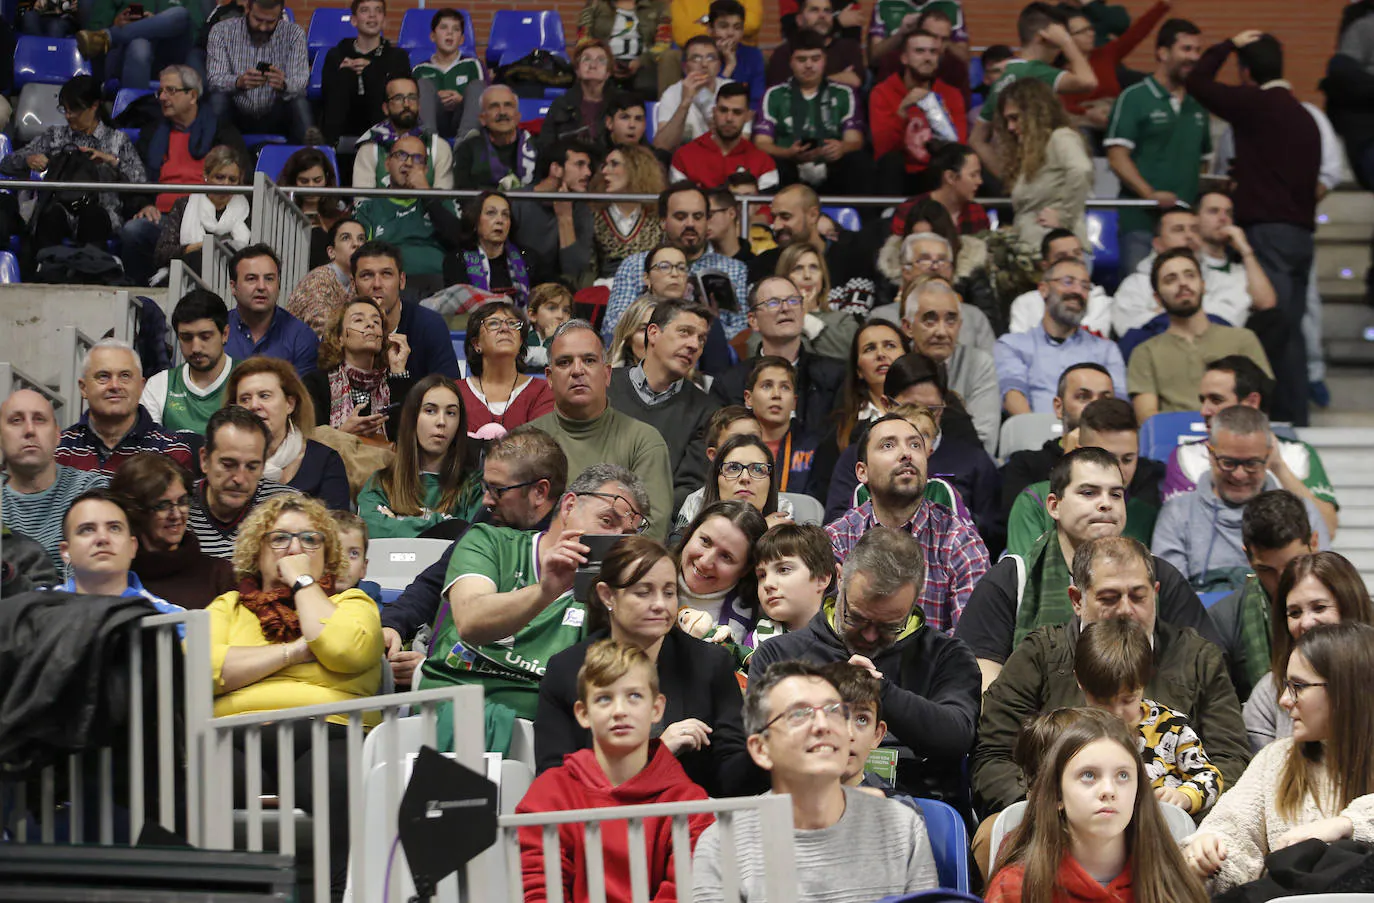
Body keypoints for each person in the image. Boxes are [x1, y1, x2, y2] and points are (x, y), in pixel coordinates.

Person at [972, 536, 1251, 816]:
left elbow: (1231, 761)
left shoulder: (1198, 659)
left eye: (1138, 597)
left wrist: (1184, 808)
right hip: (1053, 821)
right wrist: (1043, 809)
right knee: (992, 835)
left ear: (1154, 593)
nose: (1126, 610)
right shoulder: (1040, 654)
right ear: (1077, 600)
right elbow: (994, 754)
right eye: (1109, 598)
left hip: (1172, 826)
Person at [208, 493, 382, 894]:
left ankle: (335, 894)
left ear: (328, 554)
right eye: (280, 539)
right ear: (257, 550)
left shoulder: (350, 602)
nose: (295, 549)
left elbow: (343, 648)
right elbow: (203, 669)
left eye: (310, 540)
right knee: (206, 775)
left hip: (331, 730)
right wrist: (296, 651)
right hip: (234, 733)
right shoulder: (228, 607)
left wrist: (302, 582)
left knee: (332, 774)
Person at [751, 525, 979, 805]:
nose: (870, 635)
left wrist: (880, 691)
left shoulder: (946, 655)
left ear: (915, 601)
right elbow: (763, 749)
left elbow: (956, 738)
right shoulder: (779, 654)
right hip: (805, 806)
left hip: (916, 807)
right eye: (857, 618)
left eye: (890, 625)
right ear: (839, 579)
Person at [961, 445, 1214, 691]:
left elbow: (1207, 666)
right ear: (1054, 506)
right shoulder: (1012, 578)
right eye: (1089, 493)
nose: (1106, 504)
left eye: (1115, 494)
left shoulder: (1159, 575)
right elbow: (982, 679)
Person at [692, 659, 940, 900]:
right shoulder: (722, 844)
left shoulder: (902, 827)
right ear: (761, 749)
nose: (823, 725)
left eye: (834, 712)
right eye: (800, 714)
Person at [420, 464, 650, 721]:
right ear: (569, 506)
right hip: (447, 711)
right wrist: (546, 591)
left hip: (539, 732)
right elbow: (471, 622)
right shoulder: (489, 542)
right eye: (607, 521)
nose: (615, 541)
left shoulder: (607, 595)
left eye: (627, 536)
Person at [536, 537, 755, 797]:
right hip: (598, 827)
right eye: (644, 592)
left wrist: (773, 750)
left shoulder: (709, 663)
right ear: (608, 595)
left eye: (669, 592)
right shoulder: (567, 670)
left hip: (690, 825)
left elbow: (730, 779)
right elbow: (555, 781)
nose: (660, 605)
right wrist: (656, 754)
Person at [1187, 31, 1321, 427]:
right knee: (1290, 328)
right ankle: (1297, 417)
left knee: (1275, 330)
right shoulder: (1304, 115)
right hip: (1301, 235)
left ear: (1246, 73)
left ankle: (1284, 421)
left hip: (1269, 233)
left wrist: (1228, 43)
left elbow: (1197, 83)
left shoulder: (1259, 104)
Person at [1184, 622, 1374, 893]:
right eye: (1286, 685)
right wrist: (1209, 853)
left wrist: (1347, 825)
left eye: (1298, 686)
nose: (1284, 700)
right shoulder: (1276, 759)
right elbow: (1234, 828)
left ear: (1346, 689)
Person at [519, 639, 714, 903]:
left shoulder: (690, 804)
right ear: (583, 713)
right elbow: (539, 892)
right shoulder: (548, 796)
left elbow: (684, 894)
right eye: (604, 698)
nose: (620, 711)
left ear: (656, 708)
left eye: (634, 696)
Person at [379, 426, 568, 686]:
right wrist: (392, 624)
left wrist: (431, 668)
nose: (487, 500)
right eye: (485, 487)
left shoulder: (566, 548)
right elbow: (436, 579)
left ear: (540, 492)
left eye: (498, 490)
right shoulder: (492, 518)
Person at [984, 707, 1209, 903]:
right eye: (1089, 775)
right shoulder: (1016, 888)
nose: (1109, 790)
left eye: (1123, 775)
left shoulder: (1171, 883)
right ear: (1056, 795)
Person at [827, 414, 989, 634]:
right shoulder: (838, 538)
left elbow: (970, 637)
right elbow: (824, 632)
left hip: (935, 666)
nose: (906, 454)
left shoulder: (959, 539)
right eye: (888, 445)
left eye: (915, 445)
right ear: (862, 472)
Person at [1153, 406, 1329, 593]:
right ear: (1210, 455)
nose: (1239, 475)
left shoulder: (1302, 512)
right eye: (1228, 463)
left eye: (1251, 463)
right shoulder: (1178, 513)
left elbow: (1323, 585)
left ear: (1269, 456)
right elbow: (1170, 597)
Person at [1161, 356, 1339, 538]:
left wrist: (1279, 468)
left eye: (1216, 400)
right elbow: (1178, 529)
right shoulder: (1187, 456)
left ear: (1252, 402)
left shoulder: (1298, 454)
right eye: (1203, 400)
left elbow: (1327, 530)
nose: (1204, 411)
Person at [527, 320, 673, 539]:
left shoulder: (644, 441)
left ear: (607, 374)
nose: (577, 370)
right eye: (565, 362)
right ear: (549, 377)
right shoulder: (525, 442)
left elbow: (650, 533)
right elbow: (510, 526)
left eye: (589, 360)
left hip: (617, 570)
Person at [1075, 618, 1224, 817]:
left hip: (1160, 830)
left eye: (1128, 700)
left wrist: (1185, 796)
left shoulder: (1171, 727)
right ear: (1080, 682)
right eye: (1103, 702)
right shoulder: (1071, 732)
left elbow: (1210, 776)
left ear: (1145, 683)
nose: (1117, 713)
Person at [122, 64, 247, 287]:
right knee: (134, 230)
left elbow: (239, 176)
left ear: (192, 95)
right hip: (161, 218)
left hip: (207, 218)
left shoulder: (222, 132)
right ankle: (142, 291)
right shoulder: (152, 133)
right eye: (160, 91)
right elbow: (137, 178)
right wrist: (144, 204)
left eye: (171, 91)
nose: (162, 97)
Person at [1105, 17, 1210, 274]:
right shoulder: (1134, 97)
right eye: (1186, 49)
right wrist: (1150, 194)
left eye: (1197, 50)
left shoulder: (1199, 103)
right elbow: (1117, 157)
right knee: (1140, 292)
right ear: (1162, 53)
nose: (1194, 57)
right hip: (1141, 221)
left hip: (1186, 225)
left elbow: (1204, 162)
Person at [1242, 551, 1374, 754]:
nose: (1306, 623)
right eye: (1294, 613)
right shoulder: (1269, 692)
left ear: (1350, 606)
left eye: (1319, 608)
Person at [1, 75, 145, 257]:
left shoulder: (117, 140)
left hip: (101, 211)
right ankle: (45, 272)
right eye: (65, 109)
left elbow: (140, 180)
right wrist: (28, 160)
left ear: (94, 106)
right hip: (58, 207)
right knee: (49, 218)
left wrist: (111, 161)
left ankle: (94, 273)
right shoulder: (55, 135)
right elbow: (6, 164)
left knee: (93, 217)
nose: (68, 116)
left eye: (74, 110)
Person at [1005, 398, 1166, 559]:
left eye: (1128, 459)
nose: (1118, 470)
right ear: (1078, 452)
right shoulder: (1035, 501)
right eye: (1105, 458)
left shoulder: (1147, 511)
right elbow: (1027, 576)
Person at [1127, 249, 1273, 421]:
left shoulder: (1242, 339)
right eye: (1170, 279)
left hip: (1237, 434)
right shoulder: (1145, 352)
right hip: (1175, 442)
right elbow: (1147, 419)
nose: (1182, 283)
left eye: (1190, 275)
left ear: (1203, 285)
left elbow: (1261, 401)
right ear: (1157, 298)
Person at [608, 299, 719, 513]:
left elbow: (689, 488)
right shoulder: (604, 387)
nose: (694, 345)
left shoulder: (707, 411)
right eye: (684, 332)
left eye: (701, 339)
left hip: (656, 527)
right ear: (653, 333)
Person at [602, 184, 750, 344]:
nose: (690, 224)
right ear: (663, 222)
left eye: (698, 217)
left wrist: (712, 326)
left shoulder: (734, 269)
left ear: (708, 221)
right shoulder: (634, 265)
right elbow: (613, 327)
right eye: (681, 217)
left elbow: (742, 334)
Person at [1208, 492, 1319, 703]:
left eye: (1293, 564)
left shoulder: (1353, 608)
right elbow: (1218, 708)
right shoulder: (1223, 620)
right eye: (1266, 570)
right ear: (1247, 557)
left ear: (1314, 543)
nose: (1282, 580)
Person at [969, 1, 1097, 174]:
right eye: (1058, 39)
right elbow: (1088, 82)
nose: (1060, 49)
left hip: (1027, 177)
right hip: (1046, 176)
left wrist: (1009, 180)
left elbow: (977, 139)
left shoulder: (1004, 78)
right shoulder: (1034, 71)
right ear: (1043, 37)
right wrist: (1068, 42)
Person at [709, 276, 845, 437]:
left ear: (803, 312)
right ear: (753, 321)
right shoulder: (729, 384)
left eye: (793, 301)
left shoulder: (837, 376)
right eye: (773, 303)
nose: (785, 308)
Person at [994, 259, 1127, 416]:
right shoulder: (1012, 345)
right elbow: (1012, 393)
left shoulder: (1105, 350)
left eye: (1085, 286)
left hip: (1093, 436)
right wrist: (1034, 434)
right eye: (1068, 282)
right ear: (1043, 290)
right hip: (1034, 434)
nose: (1078, 291)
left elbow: (1118, 403)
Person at [357, 375, 482, 539]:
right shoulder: (380, 483)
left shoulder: (473, 486)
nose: (441, 422)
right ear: (412, 418)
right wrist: (447, 524)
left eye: (451, 413)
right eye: (430, 411)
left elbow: (474, 541)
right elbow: (371, 531)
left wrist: (398, 522)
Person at [1, 390, 109, 573]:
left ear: (58, 435)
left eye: (39, 419)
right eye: (16, 420)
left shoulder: (91, 491)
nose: (29, 430)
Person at [109, 453, 236, 609]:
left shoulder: (220, 575)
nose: (176, 515)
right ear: (135, 511)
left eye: (182, 502)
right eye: (163, 505)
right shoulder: (114, 578)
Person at [755, 30, 871, 195]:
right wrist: (788, 153)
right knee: (771, 163)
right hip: (789, 168)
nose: (809, 65)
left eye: (815, 59)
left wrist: (841, 148)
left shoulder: (844, 93)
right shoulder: (773, 94)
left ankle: (863, 219)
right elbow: (761, 143)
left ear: (824, 60)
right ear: (791, 62)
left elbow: (855, 140)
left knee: (858, 161)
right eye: (801, 60)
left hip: (833, 168)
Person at [999, 362, 1117, 524]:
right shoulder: (1025, 466)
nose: (1096, 406)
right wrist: (1070, 465)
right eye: (1083, 396)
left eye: (1106, 399)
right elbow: (1026, 531)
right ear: (1059, 407)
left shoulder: (1136, 467)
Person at [56, 339, 196, 475]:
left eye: (125, 376)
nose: (115, 386)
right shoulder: (60, 448)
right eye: (103, 376)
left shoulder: (171, 449)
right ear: (83, 388)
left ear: (141, 387)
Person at [225, 358, 349, 512]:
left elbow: (338, 529)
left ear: (290, 404)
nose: (254, 405)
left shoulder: (325, 461)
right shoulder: (224, 463)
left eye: (264, 396)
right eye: (245, 399)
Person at [993, 78, 1094, 255]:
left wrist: (1064, 216)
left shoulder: (1061, 137)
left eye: (1015, 118)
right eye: (1007, 120)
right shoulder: (1033, 149)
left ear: (1035, 113)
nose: (1010, 127)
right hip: (1035, 248)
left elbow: (1081, 169)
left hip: (1059, 251)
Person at [899, 278, 998, 454]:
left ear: (960, 325)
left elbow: (985, 441)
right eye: (930, 321)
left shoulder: (978, 363)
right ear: (908, 327)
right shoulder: (897, 366)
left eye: (951, 321)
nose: (941, 332)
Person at [354, 134, 462, 295]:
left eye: (417, 159)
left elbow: (458, 238)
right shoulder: (369, 207)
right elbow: (359, 255)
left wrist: (427, 196)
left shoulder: (441, 201)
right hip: (389, 286)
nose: (409, 163)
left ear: (425, 170)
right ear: (387, 164)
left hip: (439, 285)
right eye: (401, 155)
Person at [55, 489, 185, 621]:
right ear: (66, 551)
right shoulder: (38, 611)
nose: (102, 538)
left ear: (132, 547)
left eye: (114, 528)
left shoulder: (174, 620)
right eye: (87, 529)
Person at [301, 296, 414, 442]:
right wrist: (343, 433)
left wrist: (398, 369)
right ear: (340, 338)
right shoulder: (316, 384)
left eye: (376, 321)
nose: (370, 325)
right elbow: (307, 445)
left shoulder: (395, 383)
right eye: (358, 320)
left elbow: (408, 441)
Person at [870, 29, 967, 195]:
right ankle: (888, 214)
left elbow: (958, 148)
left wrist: (938, 112)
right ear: (904, 58)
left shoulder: (951, 94)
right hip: (901, 173)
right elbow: (883, 149)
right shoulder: (882, 92)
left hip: (935, 172)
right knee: (891, 161)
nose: (927, 58)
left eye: (933, 52)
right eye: (919, 51)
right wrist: (902, 111)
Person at [205, 0, 313, 144]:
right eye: (258, 20)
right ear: (247, 9)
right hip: (236, 111)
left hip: (276, 111)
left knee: (299, 102)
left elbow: (300, 81)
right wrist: (238, 82)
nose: (262, 27)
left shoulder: (294, 34)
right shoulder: (221, 31)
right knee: (217, 100)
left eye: (270, 22)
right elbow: (214, 78)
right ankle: (211, 160)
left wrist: (284, 84)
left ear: (280, 15)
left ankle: (311, 156)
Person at [351, 240, 460, 379]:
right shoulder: (340, 329)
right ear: (353, 285)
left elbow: (448, 392)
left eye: (386, 274)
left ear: (402, 281)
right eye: (367, 275)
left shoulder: (429, 325)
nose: (377, 284)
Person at [672, 500, 769, 649]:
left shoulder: (760, 617)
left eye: (726, 556)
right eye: (705, 541)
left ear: (745, 569)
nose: (705, 562)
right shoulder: (646, 575)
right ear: (690, 533)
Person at [142, 291, 236, 436]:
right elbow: (148, 451)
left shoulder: (248, 380)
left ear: (225, 334)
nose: (196, 348)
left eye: (205, 337)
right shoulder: (159, 385)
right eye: (186, 338)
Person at [318, 0, 411, 145]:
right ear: (354, 20)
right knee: (345, 75)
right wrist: (342, 71)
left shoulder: (398, 56)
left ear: (384, 21)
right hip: (344, 120)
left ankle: (383, 142)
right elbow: (326, 93)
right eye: (365, 10)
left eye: (378, 11)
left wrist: (372, 70)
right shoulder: (336, 54)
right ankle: (329, 145)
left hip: (380, 117)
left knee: (379, 79)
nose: (372, 16)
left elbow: (401, 95)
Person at [458, 301, 555, 437]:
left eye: (512, 324)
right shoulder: (455, 393)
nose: (505, 328)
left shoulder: (543, 391)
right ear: (476, 343)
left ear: (520, 341)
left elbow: (541, 449)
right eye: (493, 323)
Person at [152, 144, 251, 277]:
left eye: (232, 180)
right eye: (220, 177)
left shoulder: (249, 209)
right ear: (206, 176)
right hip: (188, 276)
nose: (226, 184)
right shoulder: (184, 205)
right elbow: (162, 254)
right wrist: (201, 247)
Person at [510, 137, 596, 289]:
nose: (588, 172)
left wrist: (565, 218)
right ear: (556, 169)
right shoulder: (517, 201)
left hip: (561, 291)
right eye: (580, 165)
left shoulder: (582, 209)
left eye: (588, 166)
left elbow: (575, 271)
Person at [223, 244, 320, 376]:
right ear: (233, 287)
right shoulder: (218, 330)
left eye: (269, 279)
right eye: (251, 279)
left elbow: (303, 395)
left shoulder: (301, 336)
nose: (261, 287)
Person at [352, 75, 456, 191]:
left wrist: (424, 189)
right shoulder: (370, 148)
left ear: (419, 105)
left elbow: (445, 204)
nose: (406, 104)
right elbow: (362, 203)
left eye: (412, 97)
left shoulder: (439, 147)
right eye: (398, 98)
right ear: (385, 108)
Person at [670, 82, 778, 191]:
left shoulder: (764, 163)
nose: (729, 118)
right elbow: (679, 204)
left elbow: (765, 207)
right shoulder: (684, 157)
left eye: (737, 112)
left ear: (748, 116)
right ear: (714, 112)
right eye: (723, 110)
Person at [75, 0, 193, 99]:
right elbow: (94, 28)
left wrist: (153, 24)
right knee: (140, 46)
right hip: (124, 55)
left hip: (168, 55)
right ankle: (135, 114)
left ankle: (109, 36)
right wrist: (115, 22)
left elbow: (196, 28)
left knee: (180, 14)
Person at [1006, 230, 1113, 337]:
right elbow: (1019, 349)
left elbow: (1091, 347)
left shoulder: (1100, 302)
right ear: (1045, 266)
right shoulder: (1025, 304)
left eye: (1077, 253)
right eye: (1062, 256)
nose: (1073, 260)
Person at [675, 433, 788, 532]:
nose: (745, 477)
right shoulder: (691, 526)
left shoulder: (783, 529)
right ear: (716, 478)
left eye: (758, 469)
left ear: (770, 482)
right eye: (733, 468)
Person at [589, 144, 665, 281]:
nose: (605, 171)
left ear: (636, 169)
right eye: (605, 165)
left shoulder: (657, 218)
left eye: (614, 164)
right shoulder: (594, 216)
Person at [441, 190, 532, 306]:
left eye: (505, 214)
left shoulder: (527, 258)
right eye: (491, 213)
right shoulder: (457, 261)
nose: (500, 220)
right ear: (475, 220)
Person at [576, 0, 674, 103]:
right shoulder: (595, 4)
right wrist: (604, 61)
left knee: (648, 87)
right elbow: (583, 39)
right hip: (604, 62)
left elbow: (663, 43)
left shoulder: (658, 6)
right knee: (594, 82)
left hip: (644, 63)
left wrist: (641, 61)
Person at [411, 8, 485, 140]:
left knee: (478, 86)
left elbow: (488, 101)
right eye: (444, 27)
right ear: (432, 36)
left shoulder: (473, 64)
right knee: (421, 85)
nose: (450, 33)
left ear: (461, 39)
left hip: (462, 118)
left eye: (456, 29)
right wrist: (434, 98)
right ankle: (429, 143)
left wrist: (462, 100)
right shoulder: (420, 69)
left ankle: (465, 145)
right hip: (434, 120)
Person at [285, 217, 367, 337]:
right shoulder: (318, 280)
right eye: (346, 238)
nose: (356, 244)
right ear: (331, 252)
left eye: (361, 239)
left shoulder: (358, 283)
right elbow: (323, 330)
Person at [653, 35, 735, 151]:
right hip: (684, 162)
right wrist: (685, 103)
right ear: (685, 67)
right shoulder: (672, 93)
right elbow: (661, 146)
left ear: (719, 66)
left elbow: (740, 143)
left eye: (711, 58)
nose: (704, 65)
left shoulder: (732, 90)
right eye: (696, 58)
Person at [452, 85, 538, 191]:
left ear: (517, 116)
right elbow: (463, 195)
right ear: (482, 119)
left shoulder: (537, 147)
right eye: (494, 106)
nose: (502, 112)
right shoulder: (467, 149)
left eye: (508, 105)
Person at [278, 148, 351, 270]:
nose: (311, 187)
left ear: (327, 179)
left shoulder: (340, 217)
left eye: (317, 180)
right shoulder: (280, 213)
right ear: (293, 181)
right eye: (304, 181)